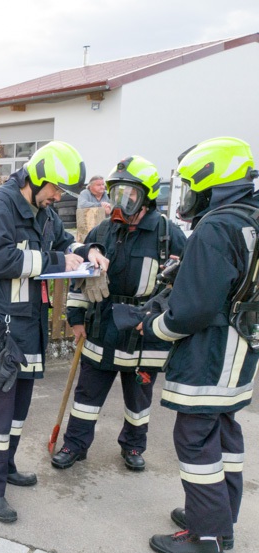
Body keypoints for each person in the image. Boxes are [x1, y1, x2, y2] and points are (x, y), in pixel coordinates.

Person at [0, 141, 109, 523]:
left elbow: (64, 241)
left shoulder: (42, 211)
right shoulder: (0, 208)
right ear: (37, 178)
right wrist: (56, 261)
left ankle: (5, 467)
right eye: (56, 188)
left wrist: (88, 250)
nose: (58, 197)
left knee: (17, 413)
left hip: (25, 330)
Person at [139, 137, 259, 553]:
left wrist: (153, 325)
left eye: (191, 186)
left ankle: (205, 537)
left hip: (210, 352)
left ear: (213, 183)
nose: (187, 195)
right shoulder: (250, 217)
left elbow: (193, 309)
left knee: (195, 440)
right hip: (241, 349)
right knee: (224, 434)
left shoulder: (216, 227)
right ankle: (219, 519)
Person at [52, 156, 187, 472]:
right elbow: (81, 279)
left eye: (130, 193)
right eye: (116, 192)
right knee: (86, 396)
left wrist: (162, 315)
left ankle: (133, 446)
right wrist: (76, 319)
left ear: (147, 196)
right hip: (102, 327)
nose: (121, 200)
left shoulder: (168, 234)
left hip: (144, 334)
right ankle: (75, 445)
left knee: (139, 401)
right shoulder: (103, 230)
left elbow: (185, 284)